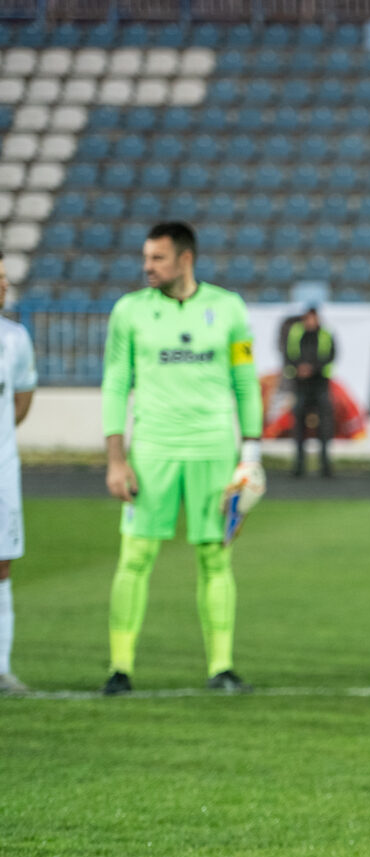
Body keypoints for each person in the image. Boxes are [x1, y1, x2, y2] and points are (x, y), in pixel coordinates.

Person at [100, 221, 264, 695]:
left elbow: (245, 381)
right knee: (136, 556)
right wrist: (116, 458)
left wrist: (249, 455)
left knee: (215, 558)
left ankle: (221, 667)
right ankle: (119, 668)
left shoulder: (228, 308)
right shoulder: (129, 312)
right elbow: (115, 384)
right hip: (151, 451)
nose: (147, 267)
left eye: (157, 259)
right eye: (146, 258)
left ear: (185, 259)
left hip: (214, 452)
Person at [0, 255, 37, 693]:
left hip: (3, 470)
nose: (4, 286)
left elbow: (22, 399)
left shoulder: (15, 338)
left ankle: (2, 666)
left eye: (6, 279)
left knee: (2, 566)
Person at [283, 305, 336, 478]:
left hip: (320, 384)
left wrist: (312, 369)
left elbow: (331, 356)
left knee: (325, 427)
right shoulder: (296, 333)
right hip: (301, 386)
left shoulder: (325, 334)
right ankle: (298, 466)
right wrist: (299, 369)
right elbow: (288, 354)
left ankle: (325, 467)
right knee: (298, 428)